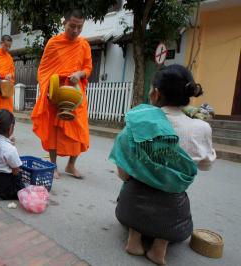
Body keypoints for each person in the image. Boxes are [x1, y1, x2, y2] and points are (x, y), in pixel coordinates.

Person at [109, 64, 216, 265]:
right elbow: (204, 165)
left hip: (131, 208)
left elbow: (122, 172)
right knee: (171, 201)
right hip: (173, 218)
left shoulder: (139, 122)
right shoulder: (201, 128)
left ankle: (135, 239)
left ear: (156, 94)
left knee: (135, 188)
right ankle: (159, 249)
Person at [31, 9, 92, 179]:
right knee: (54, 130)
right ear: (64, 23)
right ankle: (53, 165)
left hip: (76, 94)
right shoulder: (54, 43)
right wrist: (49, 88)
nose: (75, 31)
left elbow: (88, 68)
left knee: (80, 130)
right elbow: (43, 69)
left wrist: (79, 74)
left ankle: (71, 165)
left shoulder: (84, 45)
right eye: (72, 26)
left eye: (79, 27)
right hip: (56, 92)